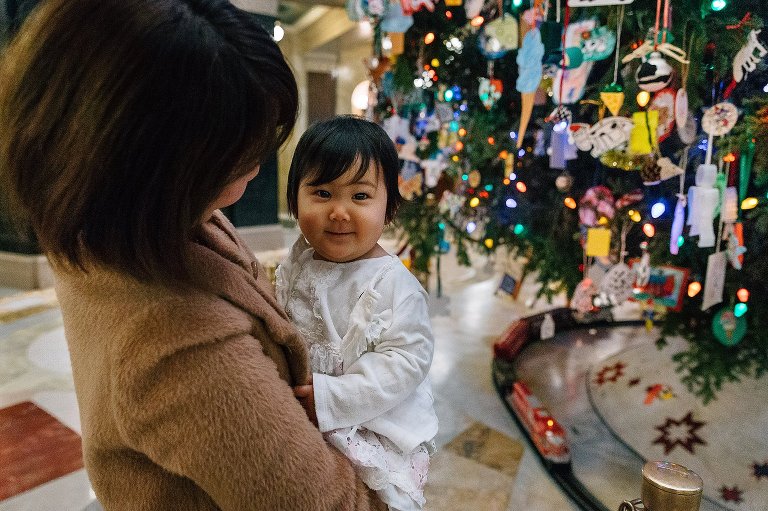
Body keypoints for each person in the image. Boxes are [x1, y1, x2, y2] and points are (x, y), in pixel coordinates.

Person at [0, 1, 388, 509]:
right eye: (234, 159)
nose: (252, 171)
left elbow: (241, 286)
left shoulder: (109, 220)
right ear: (149, 159)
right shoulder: (183, 349)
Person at [276, 116, 439, 511]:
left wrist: (334, 397)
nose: (339, 211)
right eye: (322, 192)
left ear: (390, 208)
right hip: (301, 414)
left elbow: (406, 361)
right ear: (294, 201)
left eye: (360, 196)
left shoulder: (393, 284)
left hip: (370, 423)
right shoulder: (297, 261)